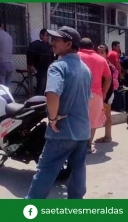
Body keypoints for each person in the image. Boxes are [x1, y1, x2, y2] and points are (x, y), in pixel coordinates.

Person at [25, 26, 92, 199]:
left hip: (62, 131)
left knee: (46, 169)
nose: (52, 42)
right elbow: (87, 98)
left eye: (56, 40)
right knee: (78, 170)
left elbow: (52, 94)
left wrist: (53, 118)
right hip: (82, 131)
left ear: (68, 44)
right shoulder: (85, 69)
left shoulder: (58, 66)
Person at [78, 38, 112, 154]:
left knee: (77, 119)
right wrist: (104, 93)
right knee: (93, 120)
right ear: (92, 47)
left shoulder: (75, 56)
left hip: (78, 93)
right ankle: (88, 145)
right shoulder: (101, 59)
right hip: (96, 94)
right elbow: (108, 78)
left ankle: (76, 145)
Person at [94, 45, 119, 143]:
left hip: (107, 94)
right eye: (98, 52)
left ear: (106, 54)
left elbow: (110, 83)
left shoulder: (108, 66)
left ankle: (108, 137)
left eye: (102, 52)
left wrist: (105, 98)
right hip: (102, 94)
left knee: (106, 116)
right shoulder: (101, 64)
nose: (100, 54)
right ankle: (107, 136)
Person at [26, 29, 57, 95]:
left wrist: (55, 51)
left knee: (47, 87)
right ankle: (39, 102)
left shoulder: (50, 46)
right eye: (46, 35)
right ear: (41, 35)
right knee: (41, 86)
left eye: (49, 36)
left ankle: (45, 101)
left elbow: (54, 57)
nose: (48, 37)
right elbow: (30, 55)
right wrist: (31, 65)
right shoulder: (35, 44)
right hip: (40, 69)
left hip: (48, 69)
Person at [0, 20, 14, 87]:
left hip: (1, 63)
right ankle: (8, 97)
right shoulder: (9, 36)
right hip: (10, 64)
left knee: (1, 88)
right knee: (7, 88)